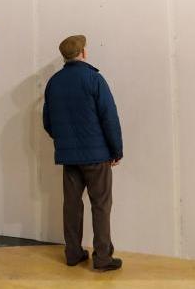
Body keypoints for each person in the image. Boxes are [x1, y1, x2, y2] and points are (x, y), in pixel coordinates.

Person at [43, 35, 123, 272]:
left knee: (71, 205)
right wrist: (116, 150)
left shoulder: (54, 82)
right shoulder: (94, 79)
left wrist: (65, 142)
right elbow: (110, 117)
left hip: (69, 158)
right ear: (83, 53)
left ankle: (73, 253)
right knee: (100, 205)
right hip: (97, 157)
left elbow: (48, 122)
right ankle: (102, 258)